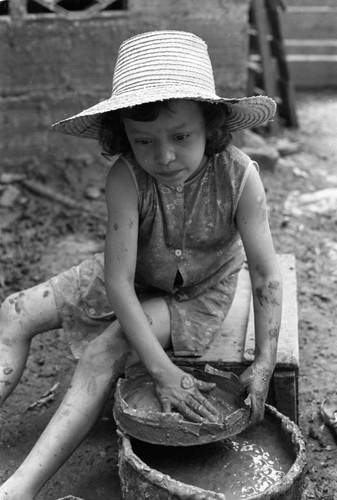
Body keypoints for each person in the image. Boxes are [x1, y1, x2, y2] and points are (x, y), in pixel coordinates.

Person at [0, 30, 282, 499]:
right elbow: (116, 281)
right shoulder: (128, 176)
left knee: (101, 354)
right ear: (123, 135)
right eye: (143, 139)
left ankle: (19, 488)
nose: (164, 155)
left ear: (211, 125)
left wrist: (265, 362)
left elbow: (267, 275)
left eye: (181, 136)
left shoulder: (240, 177)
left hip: (194, 293)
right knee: (13, 312)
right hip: (134, 273)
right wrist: (162, 372)